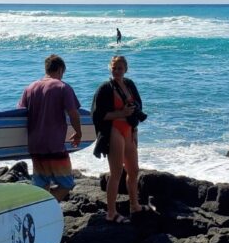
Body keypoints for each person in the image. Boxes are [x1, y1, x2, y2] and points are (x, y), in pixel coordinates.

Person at [91, 55, 150, 223]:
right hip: (114, 130)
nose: (117, 71)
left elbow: (137, 108)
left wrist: (135, 130)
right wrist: (121, 113)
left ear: (126, 69)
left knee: (134, 170)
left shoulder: (129, 85)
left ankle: (134, 205)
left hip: (129, 130)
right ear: (110, 68)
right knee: (116, 172)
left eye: (120, 68)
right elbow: (97, 115)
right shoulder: (105, 88)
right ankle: (111, 212)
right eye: (114, 68)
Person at [18, 54, 83, 202]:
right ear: (60, 70)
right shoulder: (63, 87)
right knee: (67, 184)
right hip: (54, 147)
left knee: (42, 185)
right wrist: (78, 133)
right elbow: (74, 113)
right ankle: (45, 206)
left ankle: (41, 212)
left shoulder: (30, 88)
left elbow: (20, 115)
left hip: (35, 146)